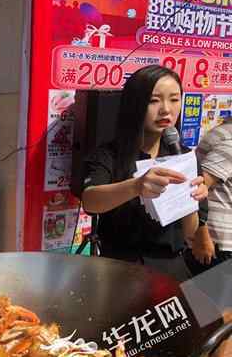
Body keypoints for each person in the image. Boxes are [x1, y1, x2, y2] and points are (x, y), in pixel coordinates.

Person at [81, 65, 208, 282]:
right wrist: (136, 186)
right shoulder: (109, 154)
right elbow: (90, 201)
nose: (166, 110)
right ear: (135, 104)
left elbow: (190, 232)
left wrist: (191, 200)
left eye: (174, 99)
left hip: (172, 269)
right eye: (154, 100)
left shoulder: (185, 155)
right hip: (121, 270)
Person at [184, 118, 232, 275]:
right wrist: (201, 235)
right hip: (217, 243)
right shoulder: (229, 140)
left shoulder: (223, 131)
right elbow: (196, 188)